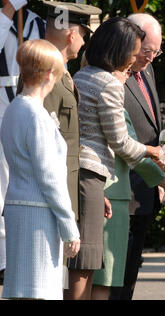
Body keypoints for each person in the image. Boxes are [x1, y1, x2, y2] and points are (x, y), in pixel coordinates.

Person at [64, 17, 165, 300]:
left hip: (80, 171)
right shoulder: (109, 84)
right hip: (94, 172)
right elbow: (120, 141)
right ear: (119, 49)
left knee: (84, 263)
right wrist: (154, 151)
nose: (136, 58)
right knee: (86, 263)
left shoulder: (82, 75)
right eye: (134, 51)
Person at [108, 13, 165, 301]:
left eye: (156, 51)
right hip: (119, 188)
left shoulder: (145, 68)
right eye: (147, 50)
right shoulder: (110, 74)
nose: (151, 57)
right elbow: (122, 139)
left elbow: (150, 125)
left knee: (128, 276)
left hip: (145, 188)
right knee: (112, 279)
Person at [1, 39, 80, 300]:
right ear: (49, 74)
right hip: (38, 214)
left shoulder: (13, 108)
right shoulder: (35, 114)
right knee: (39, 292)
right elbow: (50, 177)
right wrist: (69, 226)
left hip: (18, 207)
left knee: (22, 291)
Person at [41, 0, 101, 222]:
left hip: (64, 190)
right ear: (70, 36)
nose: (84, 42)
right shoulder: (46, 75)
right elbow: (44, 144)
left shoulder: (59, 72)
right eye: (83, 34)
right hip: (51, 197)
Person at [0, 0, 45, 284]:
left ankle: (17, 252)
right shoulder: (6, 16)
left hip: (29, 99)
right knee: (1, 181)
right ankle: (3, 258)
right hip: (1, 100)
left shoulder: (34, 21)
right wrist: (6, 13)